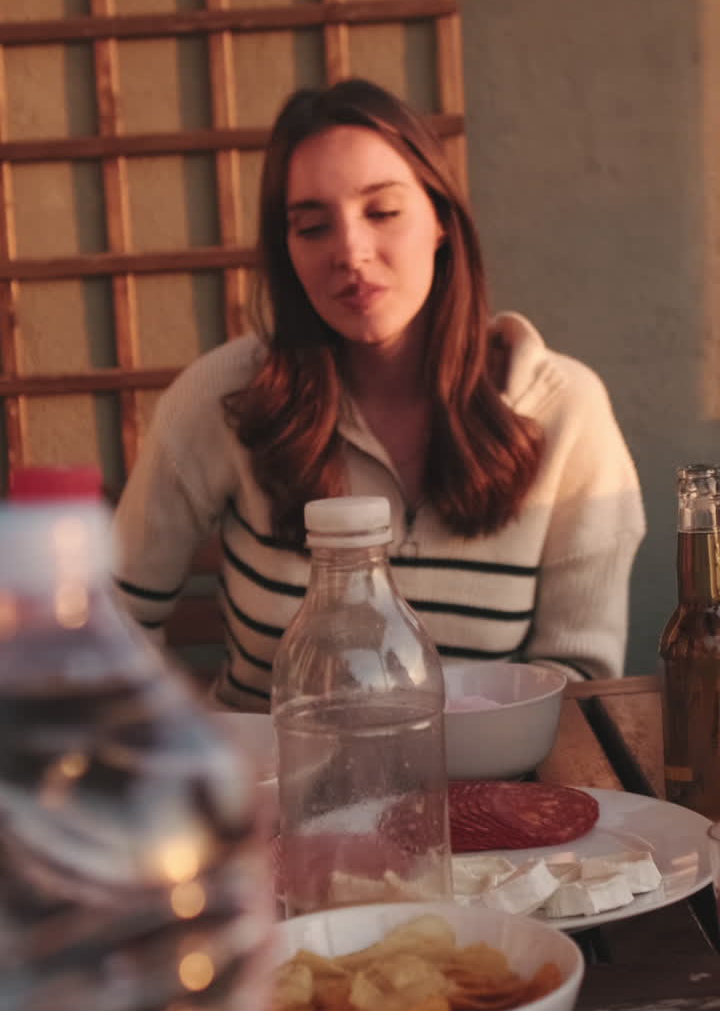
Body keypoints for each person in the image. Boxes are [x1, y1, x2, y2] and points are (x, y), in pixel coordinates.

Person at [113, 78, 646, 711]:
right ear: (287, 250)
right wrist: (190, 740)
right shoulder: (225, 396)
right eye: (313, 226)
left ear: (442, 219)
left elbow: (578, 677)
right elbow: (107, 621)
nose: (351, 252)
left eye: (383, 212)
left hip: (493, 773)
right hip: (270, 771)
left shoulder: (564, 411)